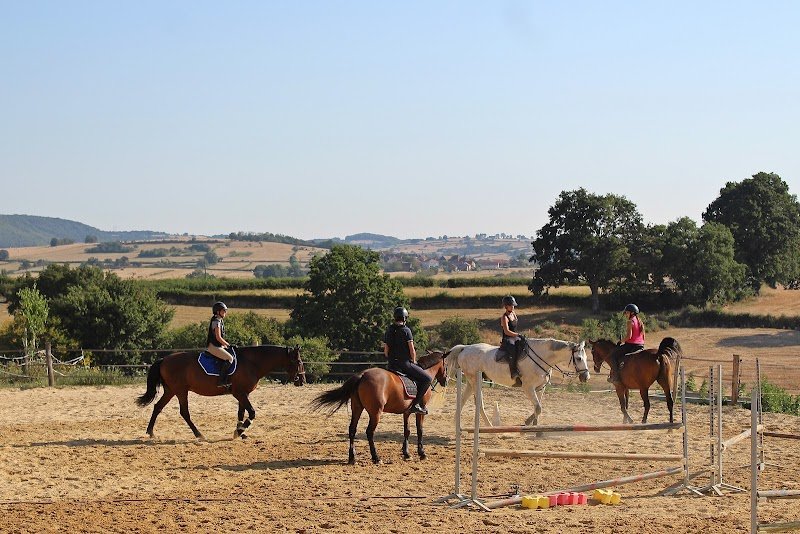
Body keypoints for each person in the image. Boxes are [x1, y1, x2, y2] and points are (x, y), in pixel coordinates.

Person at [384, 306, 431, 415]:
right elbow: (412, 350)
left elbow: (386, 351)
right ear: (405, 318)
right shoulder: (406, 330)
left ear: (395, 317)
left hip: (391, 365)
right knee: (427, 379)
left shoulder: (389, 330)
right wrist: (413, 362)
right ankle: (415, 404)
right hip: (405, 364)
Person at [607, 303, 646, 385]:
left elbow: (629, 336)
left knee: (613, 356)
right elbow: (643, 336)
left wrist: (621, 341)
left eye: (627, 312)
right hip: (640, 345)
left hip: (631, 345)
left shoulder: (630, 321)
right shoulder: (639, 321)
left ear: (632, 313)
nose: (625, 314)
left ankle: (616, 377)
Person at [207, 301, 235, 387]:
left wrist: (225, 345)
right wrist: (228, 344)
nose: (225, 312)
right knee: (230, 358)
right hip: (213, 346)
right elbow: (218, 338)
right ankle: (222, 381)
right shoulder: (216, 322)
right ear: (218, 312)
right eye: (224, 311)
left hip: (217, 345)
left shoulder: (219, 320)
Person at [500, 295, 524, 379]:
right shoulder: (504, 317)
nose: (513, 307)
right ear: (506, 306)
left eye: (513, 305)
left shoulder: (513, 314)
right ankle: (513, 371)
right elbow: (506, 331)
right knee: (513, 350)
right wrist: (517, 335)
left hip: (514, 336)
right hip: (507, 339)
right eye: (511, 305)